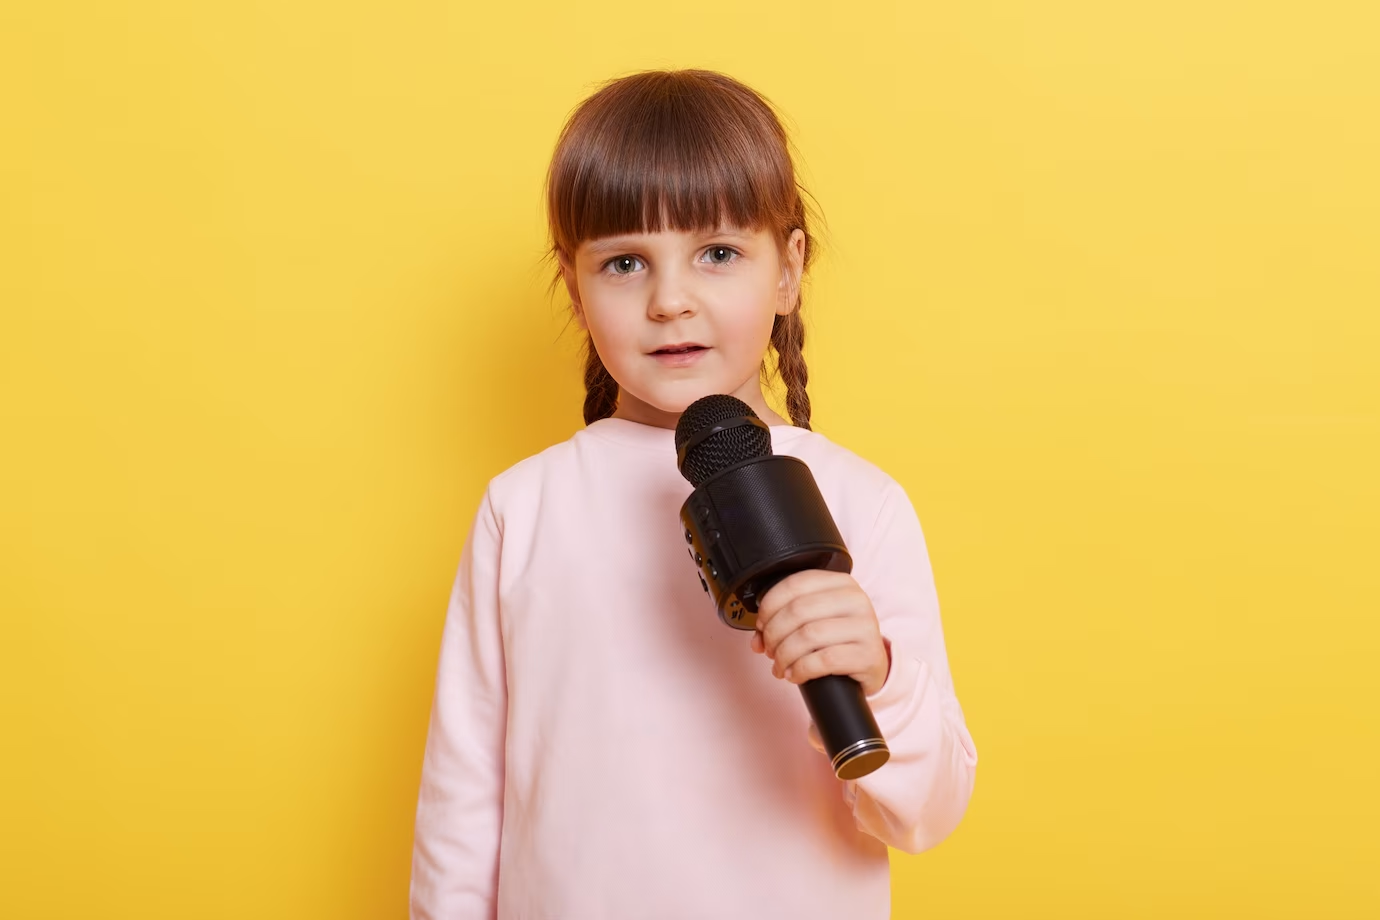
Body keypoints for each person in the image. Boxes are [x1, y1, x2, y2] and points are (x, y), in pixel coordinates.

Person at [409, 68, 978, 920]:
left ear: (788, 272)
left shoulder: (865, 503)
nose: (670, 301)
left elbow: (926, 815)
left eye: (717, 254)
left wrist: (881, 676)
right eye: (626, 262)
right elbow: (463, 801)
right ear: (575, 287)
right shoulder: (521, 508)